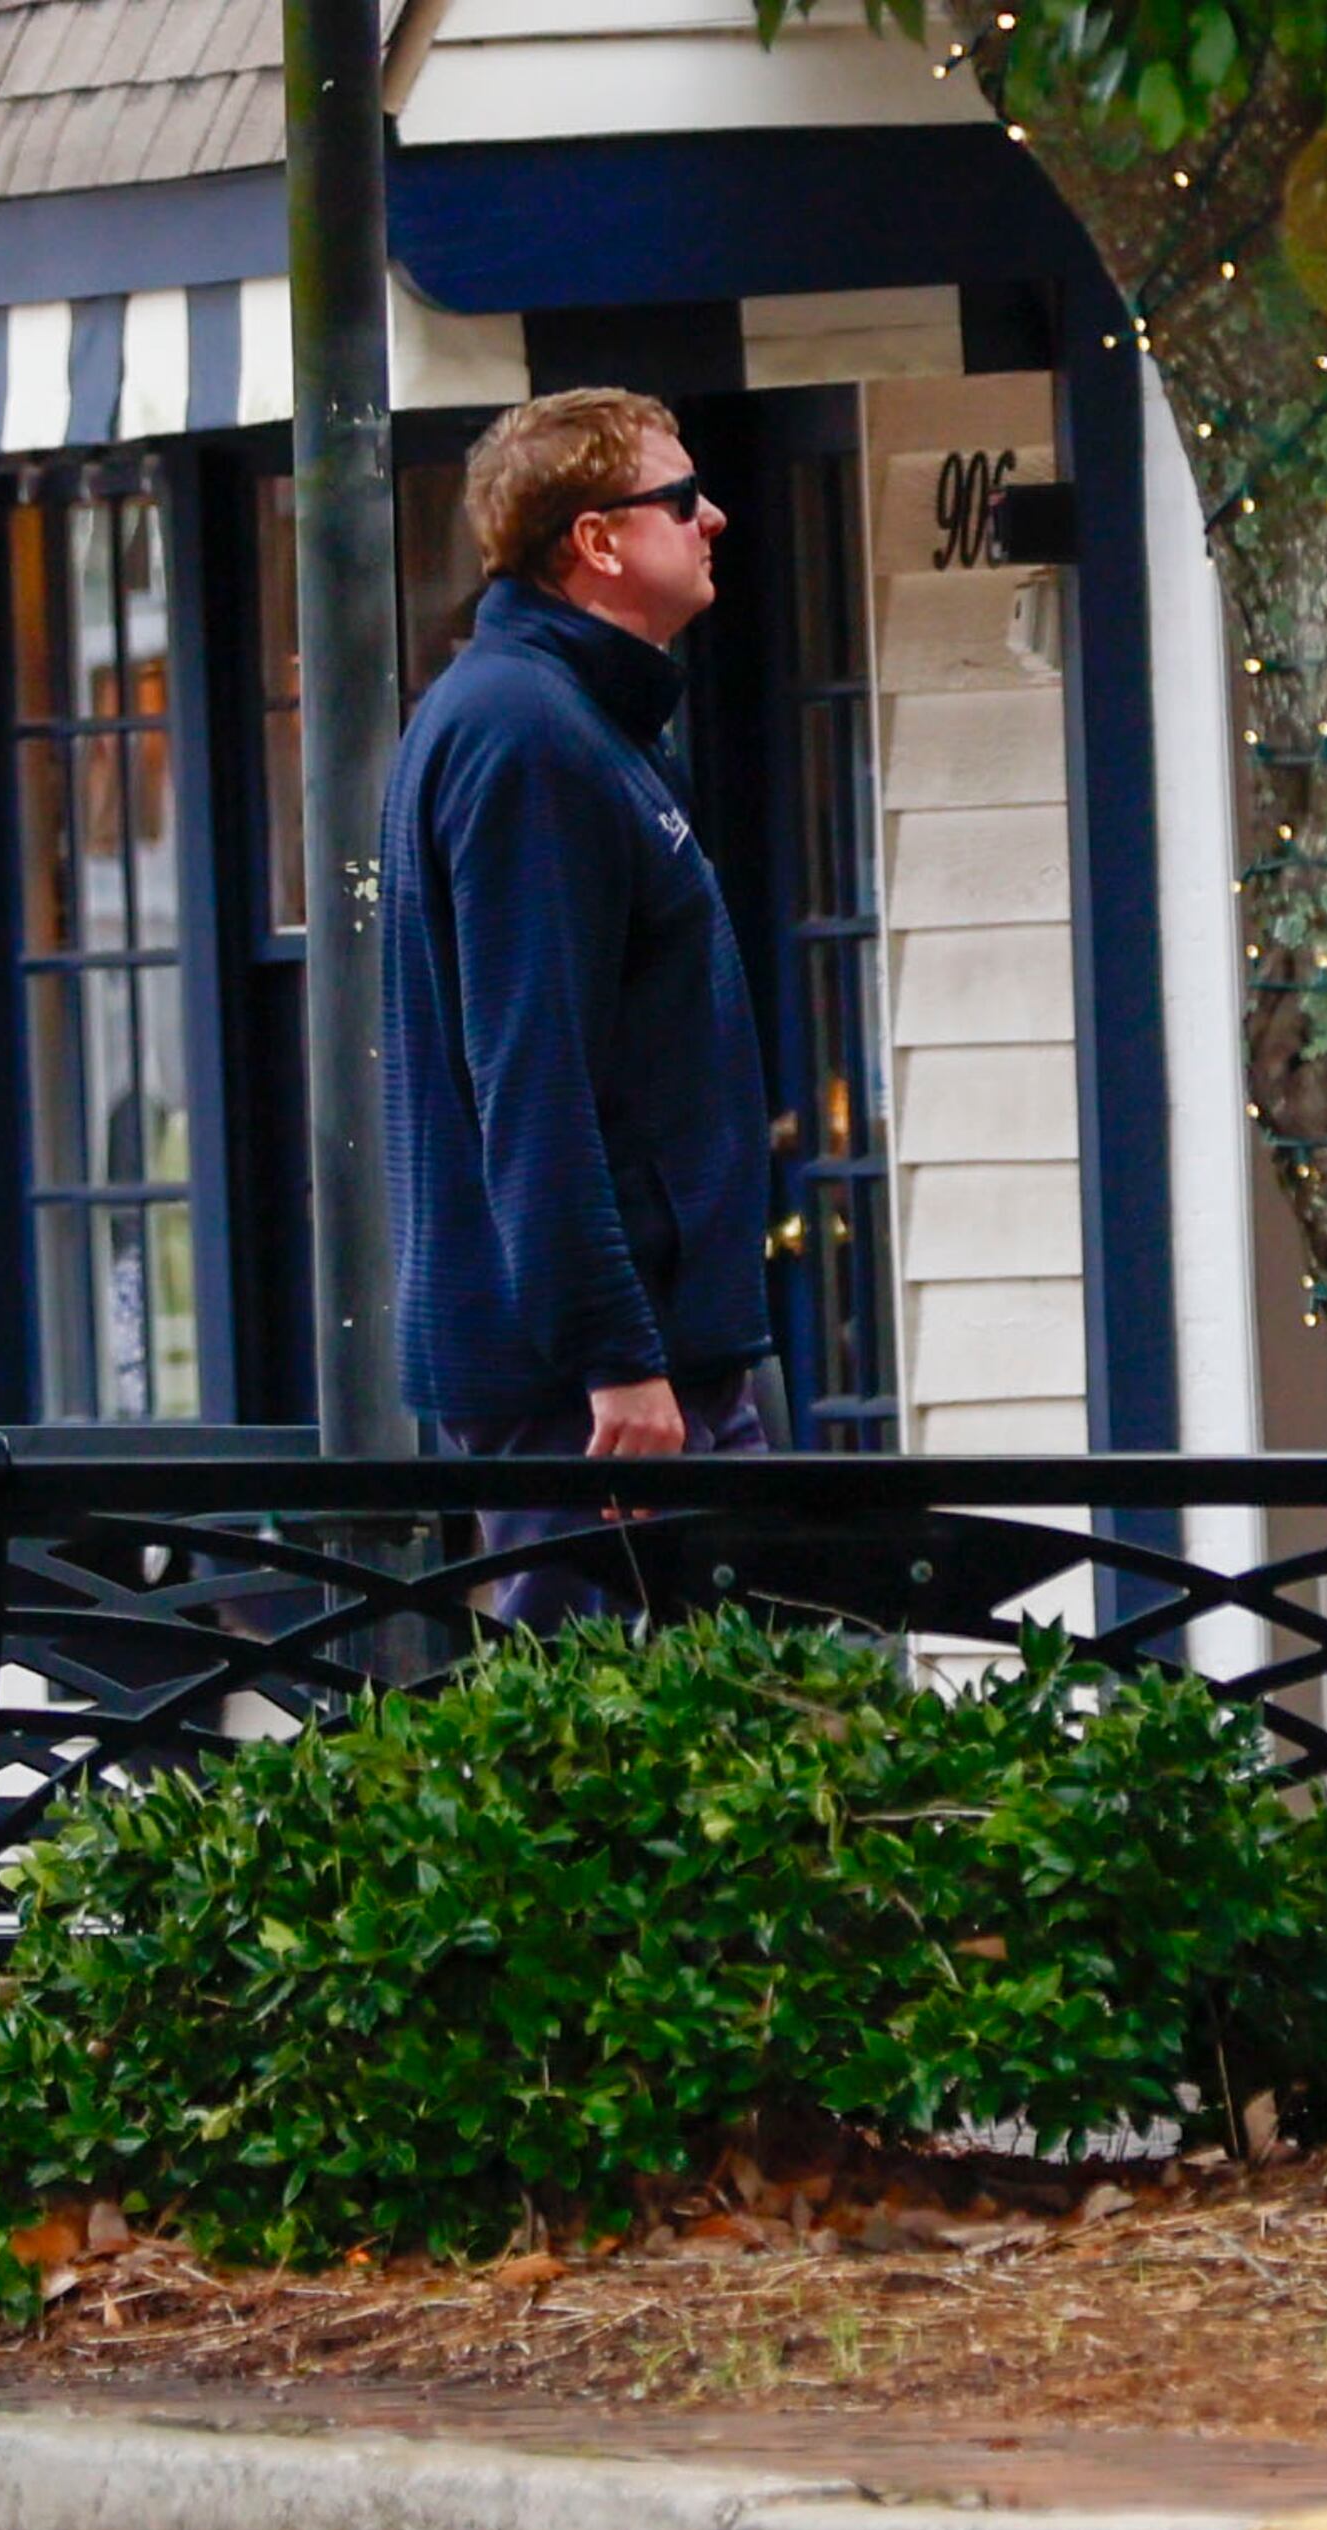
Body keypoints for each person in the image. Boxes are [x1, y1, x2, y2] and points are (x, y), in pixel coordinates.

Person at [382, 388, 775, 1621]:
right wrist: (617, 1361)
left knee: (742, 1734)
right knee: (617, 1771)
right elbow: (529, 1074)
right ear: (597, 541)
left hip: (650, 1363)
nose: (712, 518)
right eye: (678, 498)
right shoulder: (528, 734)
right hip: (601, 1390)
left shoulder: (572, 721)